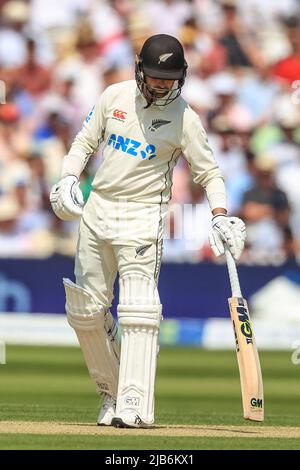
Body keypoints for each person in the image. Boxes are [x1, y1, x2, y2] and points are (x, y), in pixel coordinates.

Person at [50, 34, 246, 429]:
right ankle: (111, 392)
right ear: (140, 69)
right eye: (155, 76)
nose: (161, 84)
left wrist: (220, 214)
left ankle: (135, 403)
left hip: (142, 216)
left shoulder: (185, 118)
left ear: (181, 77)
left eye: (169, 79)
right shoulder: (114, 96)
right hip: (97, 210)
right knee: (86, 312)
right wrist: (69, 177)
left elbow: (209, 172)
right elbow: (84, 142)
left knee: (139, 310)